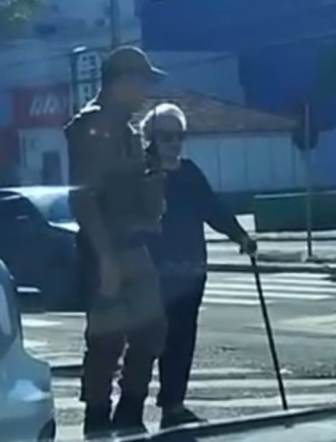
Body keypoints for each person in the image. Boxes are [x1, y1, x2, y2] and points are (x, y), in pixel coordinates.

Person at [65, 46, 168, 437]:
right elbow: (84, 196)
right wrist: (104, 257)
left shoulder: (125, 129)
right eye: (142, 81)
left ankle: (129, 414)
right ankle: (98, 419)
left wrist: (154, 179)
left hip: (133, 246)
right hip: (107, 248)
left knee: (149, 331)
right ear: (121, 81)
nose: (146, 91)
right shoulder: (94, 125)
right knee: (107, 340)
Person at [139, 102, 258, 429]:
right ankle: (131, 409)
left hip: (191, 271)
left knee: (183, 338)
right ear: (149, 139)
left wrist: (241, 237)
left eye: (178, 136)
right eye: (165, 137)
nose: (174, 143)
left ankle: (173, 404)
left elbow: (213, 209)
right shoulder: (141, 174)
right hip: (153, 273)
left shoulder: (189, 173)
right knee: (151, 341)